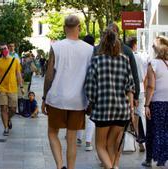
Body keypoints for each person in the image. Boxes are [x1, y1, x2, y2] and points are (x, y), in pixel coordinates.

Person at [41, 15, 93, 169]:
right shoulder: (89, 49)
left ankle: (59, 165)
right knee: (72, 139)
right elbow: (91, 77)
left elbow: (49, 75)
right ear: (80, 28)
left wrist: (44, 98)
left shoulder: (56, 47)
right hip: (78, 100)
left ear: (64, 28)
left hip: (57, 98)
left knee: (52, 132)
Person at [85, 29, 135, 169]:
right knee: (111, 145)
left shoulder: (96, 60)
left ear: (103, 43)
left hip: (103, 110)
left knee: (100, 146)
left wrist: (94, 101)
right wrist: (131, 109)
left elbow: (89, 87)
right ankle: (114, 166)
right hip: (121, 111)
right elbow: (130, 86)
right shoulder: (124, 60)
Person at [142, 36, 168, 168]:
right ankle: (162, 158)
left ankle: (149, 160)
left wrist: (146, 105)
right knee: (165, 130)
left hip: (156, 102)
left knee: (153, 131)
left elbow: (151, 86)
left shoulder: (153, 63)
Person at [0, 42, 24, 136]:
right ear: (0, 51)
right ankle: (6, 127)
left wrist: (21, 86)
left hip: (13, 88)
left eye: (5, 48)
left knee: (13, 109)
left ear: (8, 49)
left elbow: (18, 74)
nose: (4, 50)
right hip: (2, 88)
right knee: (3, 108)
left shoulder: (15, 61)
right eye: (2, 49)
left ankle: (8, 118)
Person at [127, 37, 147, 152]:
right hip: (139, 87)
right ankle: (140, 141)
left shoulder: (123, 55)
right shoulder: (138, 57)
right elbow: (142, 76)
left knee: (131, 114)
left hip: (128, 89)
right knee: (139, 114)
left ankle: (132, 142)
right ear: (134, 45)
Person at [76, 34, 96, 152]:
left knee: (79, 113)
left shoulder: (79, 53)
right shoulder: (96, 54)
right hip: (92, 86)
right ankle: (88, 142)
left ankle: (78, 138)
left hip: (79, 86)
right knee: (91, 116)